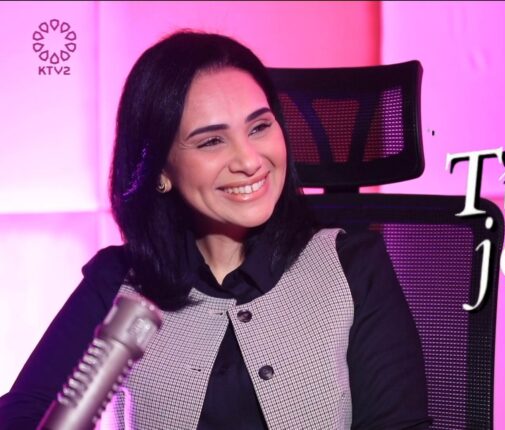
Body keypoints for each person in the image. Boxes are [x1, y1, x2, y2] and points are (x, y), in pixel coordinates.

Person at [0, 30, 430, 429]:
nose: (250, 160)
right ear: (159, 170)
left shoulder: (353, 265)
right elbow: (23, 411)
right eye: (211, 141)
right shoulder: (117, 281)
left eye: (259, 127)